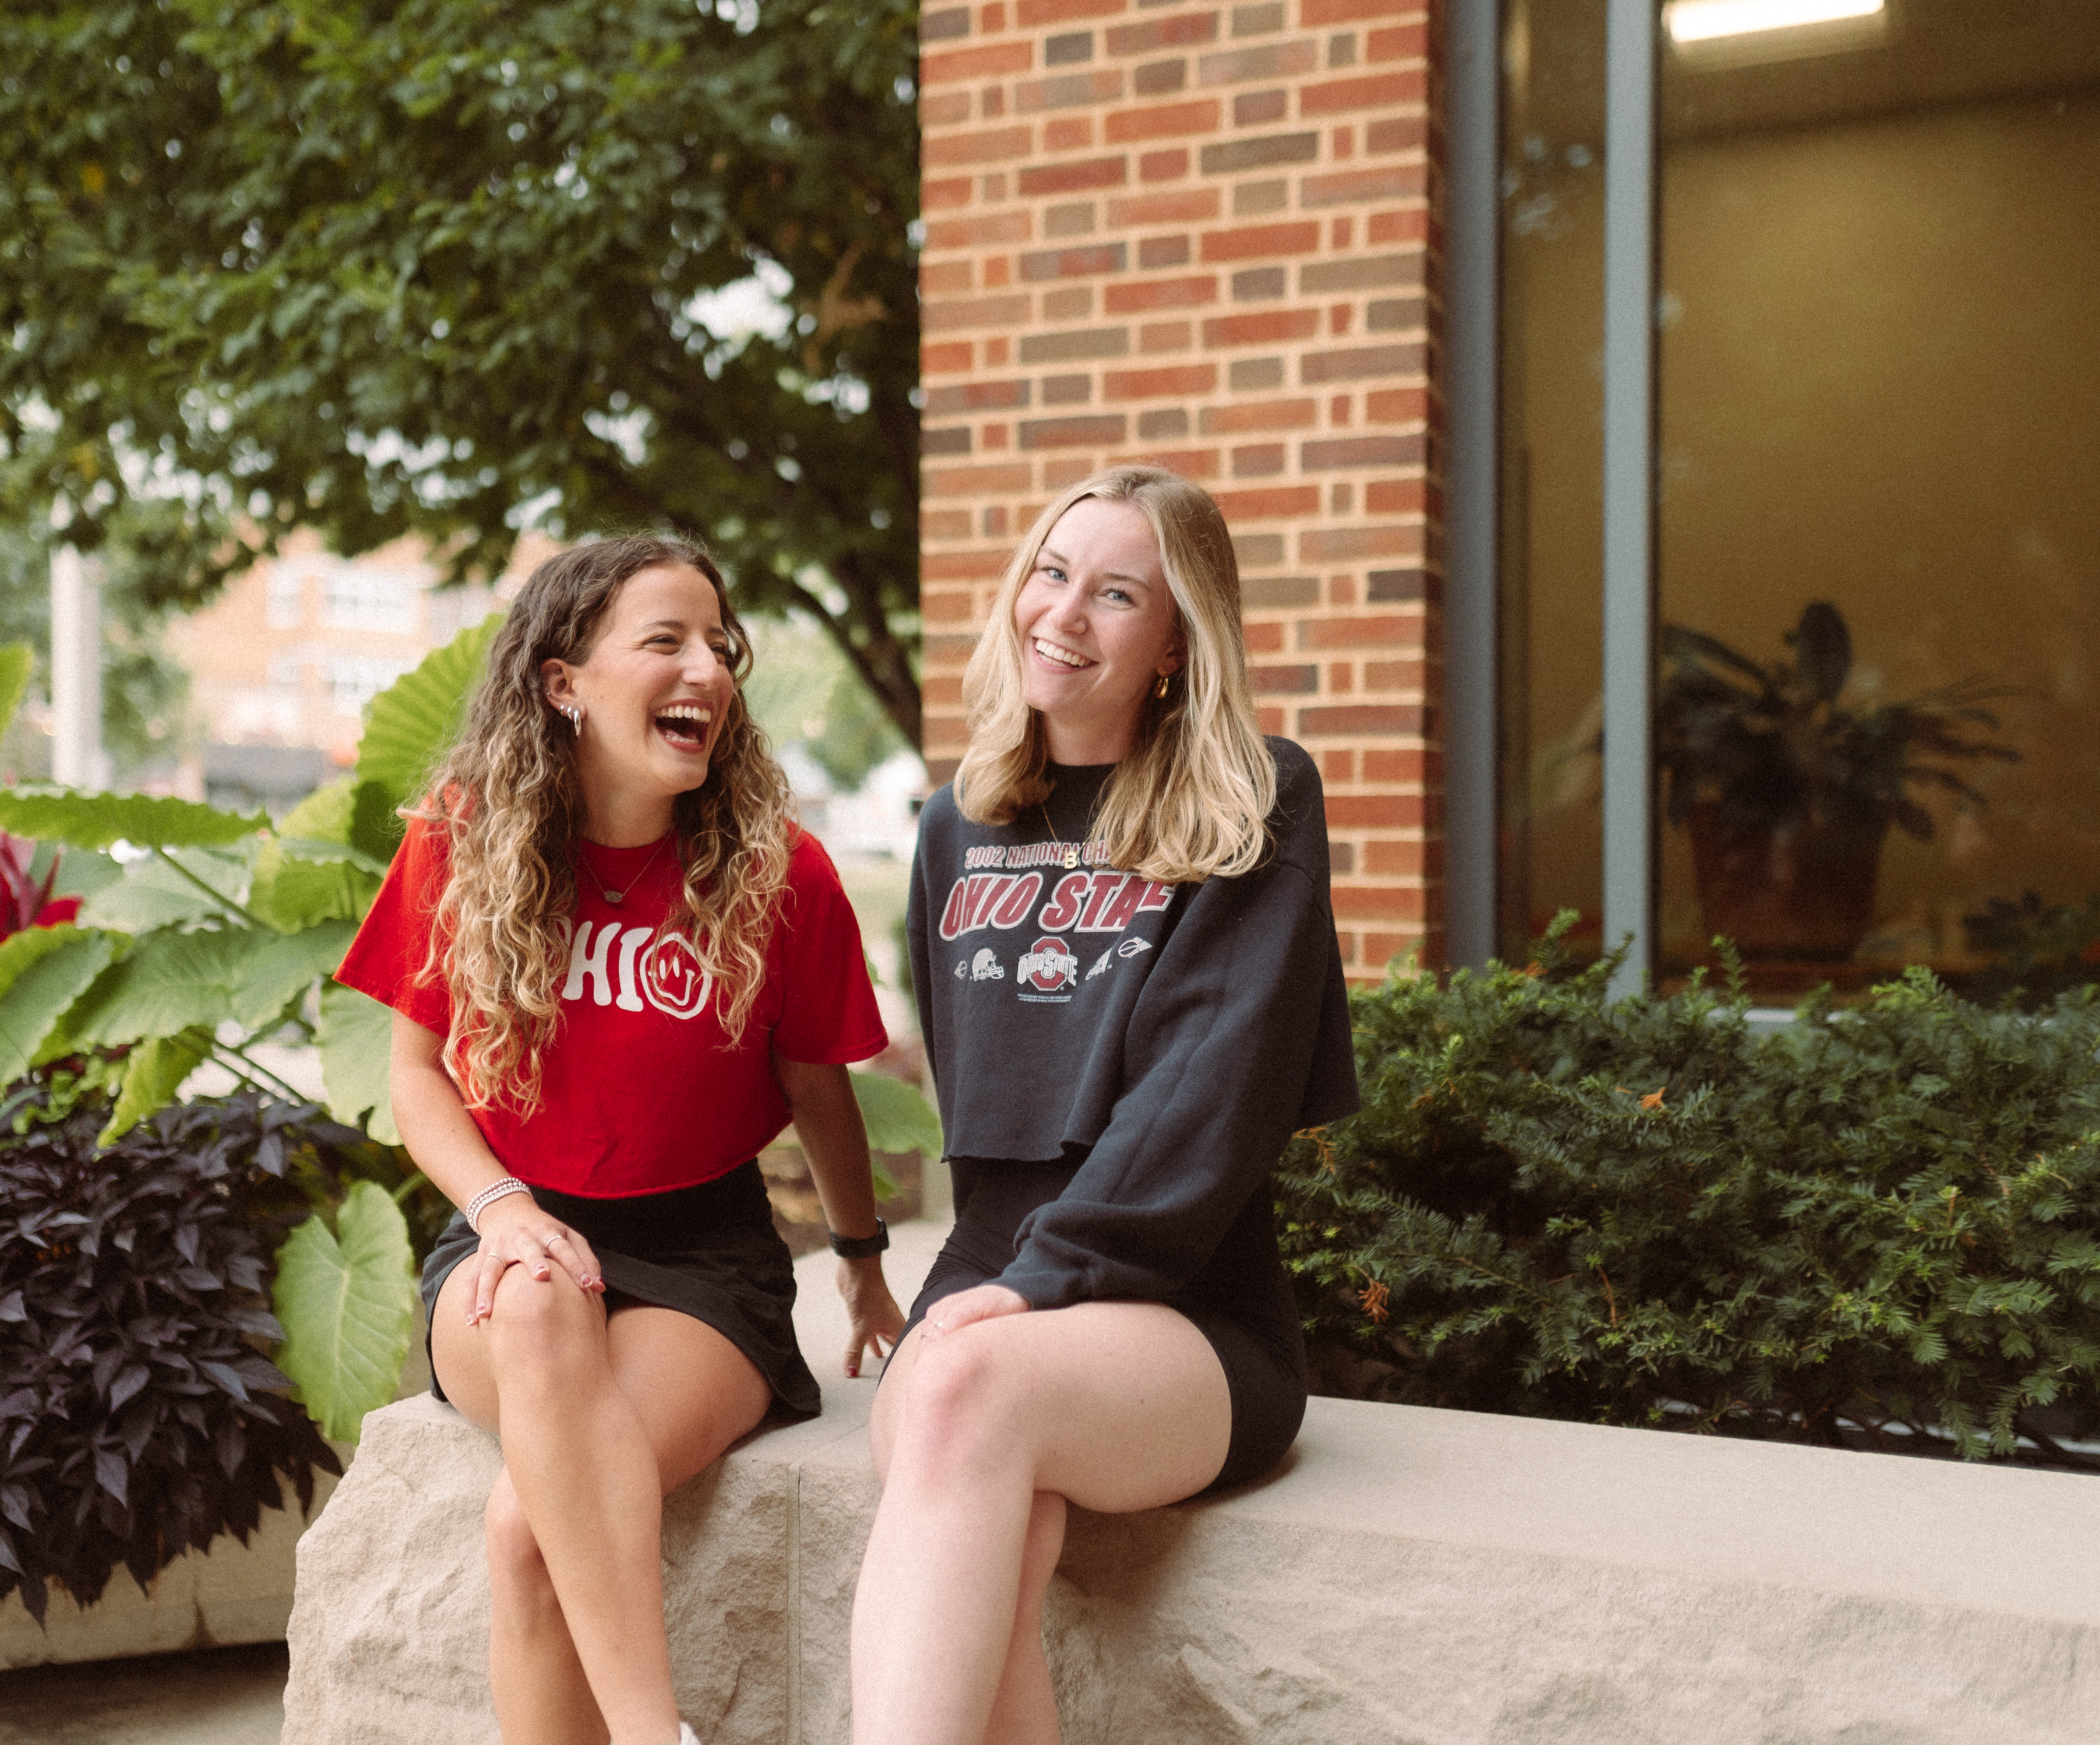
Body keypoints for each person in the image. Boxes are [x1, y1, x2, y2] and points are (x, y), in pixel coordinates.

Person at [335, 534, 907, 1745]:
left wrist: (859, 1261)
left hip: (702, 1261)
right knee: (537, 1291)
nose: (707, 666)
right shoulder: (464, 841)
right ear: (562, 682)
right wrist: (501, 1209)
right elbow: (417, 1076)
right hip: (507, 1228)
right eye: (666, 641)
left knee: (527, 1534)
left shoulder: (778, 875)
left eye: (720, 644)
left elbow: (816, 1087)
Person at [848, 465, 1359, 1744]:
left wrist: (1029, 1288)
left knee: (957, 1396)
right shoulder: (952, 827)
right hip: (987, 1284)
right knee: (993, 1544)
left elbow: (1211, 1099)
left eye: (1118, 593)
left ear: (1178, 642)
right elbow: (973, 1099)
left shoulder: (1255, 798)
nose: (1064, 614)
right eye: (1052, 571)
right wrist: (980, 1297)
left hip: (1182, 1306)